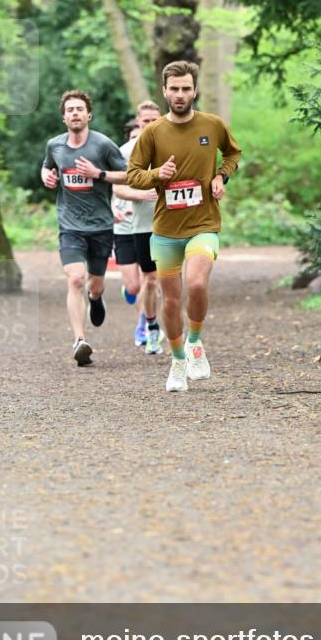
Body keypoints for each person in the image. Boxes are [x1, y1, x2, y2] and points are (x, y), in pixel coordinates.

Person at [127, 61, 241, 392]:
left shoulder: (212, 125)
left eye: (186, 88)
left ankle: (195, 342)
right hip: (165, 230)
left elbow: (233, 153)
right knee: (171, 300)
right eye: (174, 89)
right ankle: (177, 361)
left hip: (204, 223)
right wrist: (156, 175)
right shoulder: (152, 132)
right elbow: (133, 173)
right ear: (164, 91)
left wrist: (222, 176)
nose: (180, 94)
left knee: (197, 284)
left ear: (195, 91)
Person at [41, 89, 127, 366]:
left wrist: (99, 174)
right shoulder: (54, 145)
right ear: (64, 117)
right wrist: (47, 176)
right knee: (75, 278)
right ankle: (79, 340)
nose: (75, 113)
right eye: (70, 110)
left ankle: (96, 297)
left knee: (95, 286)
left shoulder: (102, 145)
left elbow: (129, 175)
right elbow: (47, 168)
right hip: (70, 225)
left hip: (101, 226)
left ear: (88, 114)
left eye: (80, 109)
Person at [112, 101, 164, 353]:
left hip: (163, 224)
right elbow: (116, 186)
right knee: (135, 285)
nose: (150, 126)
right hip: (129, 225)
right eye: (145, 122)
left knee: (152, 279)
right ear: (138, 122)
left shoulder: (171, 146)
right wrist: (142, 195)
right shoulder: (125, 152)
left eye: (155, 120)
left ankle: (148, 324)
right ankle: (145, 316)